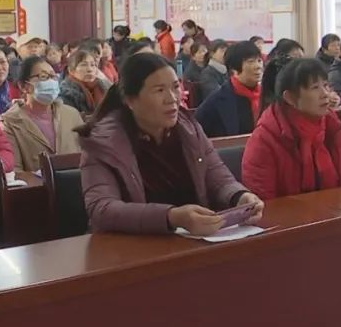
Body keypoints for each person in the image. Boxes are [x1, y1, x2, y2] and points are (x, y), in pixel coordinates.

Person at [78, 52, 263, 234]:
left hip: (191, 240)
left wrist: (239, 196)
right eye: (160, 90)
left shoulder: (188, 128)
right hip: (129, 245)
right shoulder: (104, 141)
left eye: (175, 87)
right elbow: (102, 209)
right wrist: (171, 217)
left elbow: (218, 178)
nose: (172, 98)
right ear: (130, 100)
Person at [242, 58, 341, 200]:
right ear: (290, 98)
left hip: (334, 209)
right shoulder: (265, 139)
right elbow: (263, 204)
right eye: (315, 87)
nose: (325, 94)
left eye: (326, 85)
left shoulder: (331, 125)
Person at [0, 56, 83, 172]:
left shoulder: (71, 114)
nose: (51, 81)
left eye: (53, 76)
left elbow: (87, 156)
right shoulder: (10, 122)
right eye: (43, 77)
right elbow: (15, 170)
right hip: (35, 183)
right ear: (23, 86)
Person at [195, 41, 263, 138]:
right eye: (251, 61)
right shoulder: (216, 101)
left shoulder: (268, 96)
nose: (258, 66)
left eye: (259, 60)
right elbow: (196, 132)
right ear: (234, 69)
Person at [60, 46, 112, 116]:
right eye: (83, 65)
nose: (90, 69)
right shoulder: (65, 92)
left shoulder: (104, 86)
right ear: (71, 70)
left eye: (93, 65)